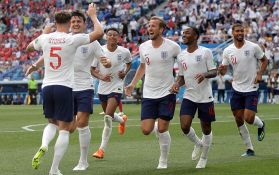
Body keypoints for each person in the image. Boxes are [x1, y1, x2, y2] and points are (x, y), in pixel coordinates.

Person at [26, 4, 103, 175]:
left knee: (51, 123)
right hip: (65, 87)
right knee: (65, 129)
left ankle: (44, 144)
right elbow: (99, 32)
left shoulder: (46, 38)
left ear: (54, 22)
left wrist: (44, 34)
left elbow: (29, 48)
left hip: (47, 87)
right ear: (69, 23)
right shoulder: (71, 39)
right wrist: (93, 15)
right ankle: (54, 169)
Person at [125, 16, 181, 169]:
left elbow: (182, 66)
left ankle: (163, 160)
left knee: (163, 128)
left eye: (153, 26)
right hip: (149, 93)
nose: (150, 28)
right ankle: (157, 126)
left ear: (161, 29)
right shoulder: (144, 47)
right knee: (146, 130)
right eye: (149, 26)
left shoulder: (173, 47)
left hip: (167, 92)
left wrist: (177, 83)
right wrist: (132, 84)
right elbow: (142, 67)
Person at [218, 21, 268, 157]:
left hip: (251, 87)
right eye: (237, 31)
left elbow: (265, 60)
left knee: (248, 118)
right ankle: (249, 148)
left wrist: (260, 73)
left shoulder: (253, 47)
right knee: (238, 119)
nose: (240, 33)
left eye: (241, 31)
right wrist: (221, 71)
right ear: (232, 33)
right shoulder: (227, 51)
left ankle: (261, 124)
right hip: (236, 88)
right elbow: (223, 70)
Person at [170, 27, 217, 168]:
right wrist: (177, 84)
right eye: (183, 33)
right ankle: (198, 143)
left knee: (206, 129)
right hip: (189, 95)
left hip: (205, 97)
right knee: (184, 126)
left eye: (187, 33)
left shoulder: (205, 52)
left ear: (196, 36)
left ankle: (204, 158)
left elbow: (214, 71)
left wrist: (205, 74)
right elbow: (182, 76)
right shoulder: (181, 56)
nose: (183, 35)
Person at [91, 27, 132, 159]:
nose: (112, 37)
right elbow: (92, 69)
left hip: (117, 86)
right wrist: (101, 77)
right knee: (110, 115)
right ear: (106, 37)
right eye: (110, 35)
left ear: (118, 37)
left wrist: (124, 72)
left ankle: (101, 150)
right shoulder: (99, 50)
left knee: (108, 117)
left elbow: (129, 64)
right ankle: (122, 119)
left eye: (115, 35)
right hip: (103, 87)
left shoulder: (124, 51)